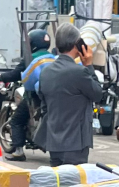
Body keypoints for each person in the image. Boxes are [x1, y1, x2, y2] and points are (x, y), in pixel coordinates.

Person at [38, 21, 100, 167]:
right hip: (75, 143)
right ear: (76, 44)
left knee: (57, 180)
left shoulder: (45, 72)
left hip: (54, 141)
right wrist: (89, 65)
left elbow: (44, 104)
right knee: (73, 180)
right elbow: (97, 94)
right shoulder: (80, 72)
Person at [0, 28, 52, 160]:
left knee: (16, 120)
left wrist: (1, 77)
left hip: (34, 96)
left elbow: (16, 74)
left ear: (32, 44)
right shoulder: (53, 57)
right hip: (52, 96)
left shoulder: (30, 59)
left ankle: (18, 152)